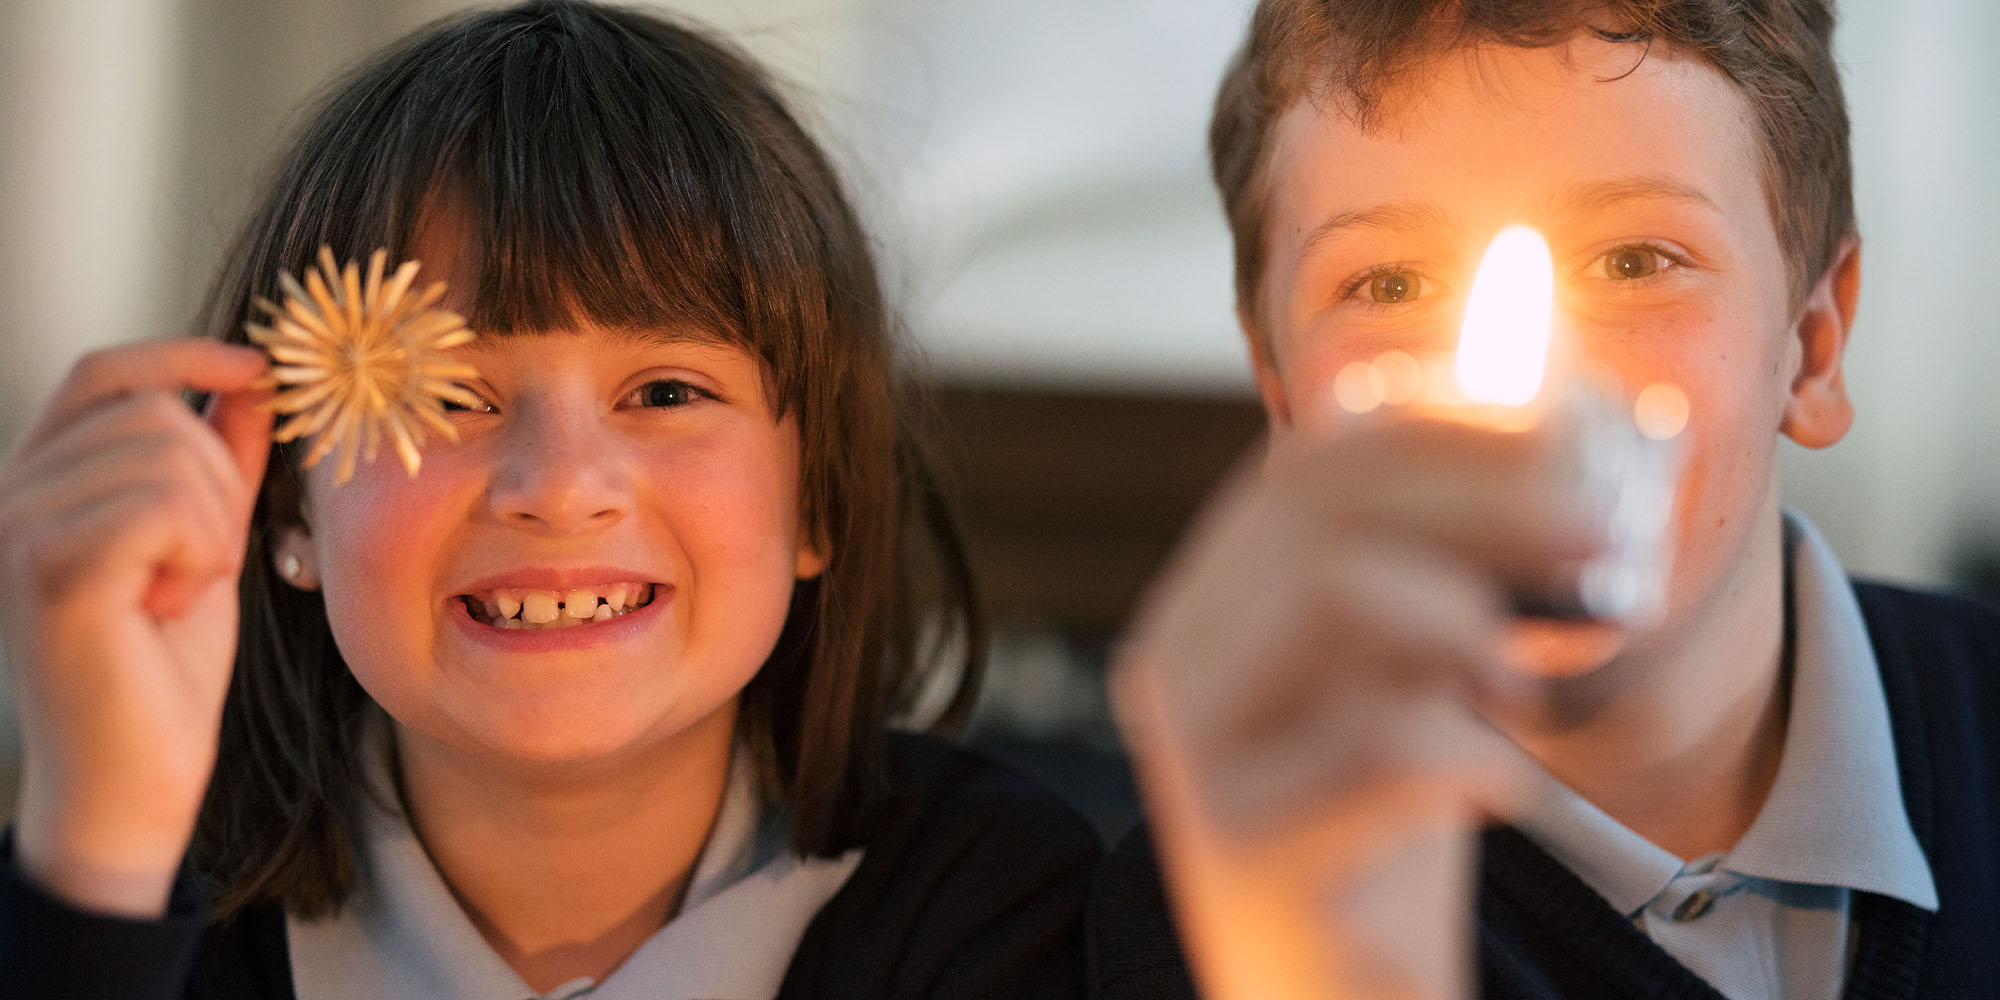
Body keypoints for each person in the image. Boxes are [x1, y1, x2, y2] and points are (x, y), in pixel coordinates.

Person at [0, 3, 1100, 997]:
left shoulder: (1005, 920)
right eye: (450, 396)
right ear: (288, 507)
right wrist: (100, 855)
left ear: (817, 498)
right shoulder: (113, 907)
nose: (561, 486)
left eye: (666, 390)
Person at [1089, 0, 2000, 998]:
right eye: (1388, 284)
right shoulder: (1208, 920)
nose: (1525, 407)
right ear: (1280, 395)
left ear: (1812, 344)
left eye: (1633, 262)